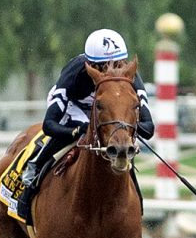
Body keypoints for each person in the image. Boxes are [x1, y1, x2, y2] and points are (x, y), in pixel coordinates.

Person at [9, 28, 155, 224]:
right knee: (80, 130)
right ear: (91, 65)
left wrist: (126, 128)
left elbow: (149, 127)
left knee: (120, 142)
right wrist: (78, 131)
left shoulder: (129, 77)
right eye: (104, 66)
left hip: (110, 113)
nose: (113, 70)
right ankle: (34, 169)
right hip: (75, 107)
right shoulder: (74, 73)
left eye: (119, 64)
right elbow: (49, 125)